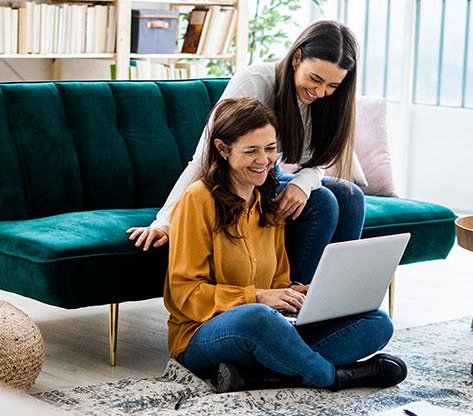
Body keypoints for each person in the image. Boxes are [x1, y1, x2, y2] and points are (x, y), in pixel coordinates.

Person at [163, 97, 406, 393]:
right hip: (201, 335)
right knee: (257, 317)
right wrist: (258, 297)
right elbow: (184, 293)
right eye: (251, 150)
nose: (264, 160)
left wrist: (295, 292)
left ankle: (265, 377)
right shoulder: (198, 200)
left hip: (266, 327)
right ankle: (334, 377)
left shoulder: (268, 200)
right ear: (222, 149)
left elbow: (278, 278)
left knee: (376, 321)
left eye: (270, 148)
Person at [128, 20, 366, 284]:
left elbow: (316, 161)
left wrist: (303, 183)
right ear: (297, 57)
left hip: (265, 178)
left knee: (350, 196)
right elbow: (204, 158)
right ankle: (292, 305)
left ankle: (336, 300)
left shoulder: (324, 101)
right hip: (231, 180)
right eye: (316, 79)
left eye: (333, 86)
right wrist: (165, 221)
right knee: (322, 203)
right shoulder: (254, 82)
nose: (321, 92)